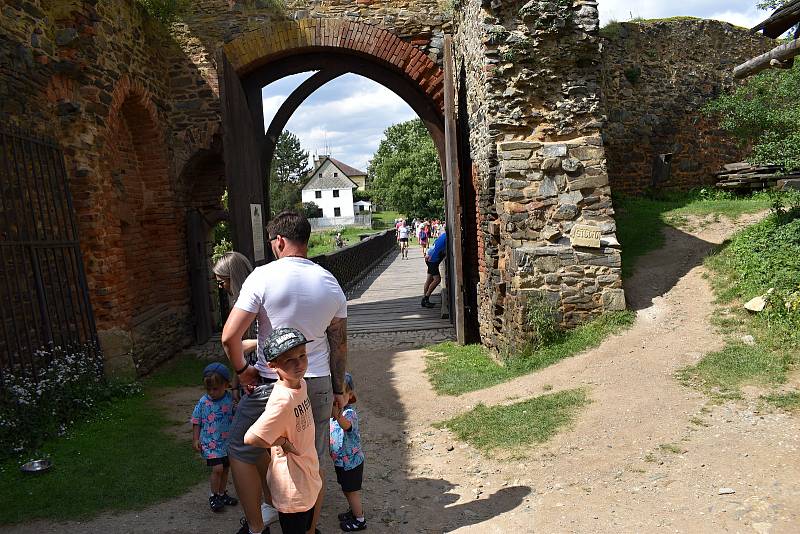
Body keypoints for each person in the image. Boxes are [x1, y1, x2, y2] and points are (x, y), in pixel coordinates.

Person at [221, 210, 348, 534]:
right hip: (317, 381)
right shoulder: (330, 282)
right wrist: (337, 390)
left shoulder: (262, 277)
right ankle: (308, 529)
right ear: (305, 240)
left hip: (272, 382)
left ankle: (256, 526)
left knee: (241, 447)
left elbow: (229, 336)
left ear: (279, 241)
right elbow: (339, 344)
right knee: (312, 459)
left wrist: (242, 370)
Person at [244, 328, 322, 534]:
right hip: (292, 486)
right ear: (273, 365)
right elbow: (251, 438)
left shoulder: (301, 384)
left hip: (307, 473)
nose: (299, 364)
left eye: (302, 355)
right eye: (289, 360)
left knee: (306, 523)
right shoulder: (282, 400)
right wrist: (281, 442)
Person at [191, 362, 239, 513]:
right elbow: (196, 421)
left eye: (215, 388)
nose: (211, 392)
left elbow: (236, 417)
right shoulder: (204, 402)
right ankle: (213, 495)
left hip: (226, 443)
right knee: (217, 468)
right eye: (208, 389)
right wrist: (196, 439)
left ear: (226, 385)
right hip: (210, 443)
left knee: (225, 469)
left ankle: (221, 493)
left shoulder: (230, 400)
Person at [330, 373, 366, 532]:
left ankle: (360, 520)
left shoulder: (348, 413)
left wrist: (337, 415)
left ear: (350, 395)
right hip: (342, 462)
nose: (335, 399)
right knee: (346, 489)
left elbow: (347, 426)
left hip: (352, 463)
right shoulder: (335, 414)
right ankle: (354, 511)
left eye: (340, 394)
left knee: (351, 491)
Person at [422, 230, 447, 308]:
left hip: (429, 256)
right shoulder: (447, 238)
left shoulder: (443, 235)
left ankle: (425, 300)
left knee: (429, 279)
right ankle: (426, 298)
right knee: (437, 280)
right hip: (433, 260)